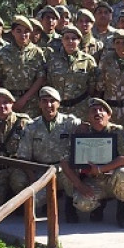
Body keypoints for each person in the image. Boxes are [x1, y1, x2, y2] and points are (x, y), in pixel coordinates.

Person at [62, 98, 124, 227]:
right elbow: (64, 161)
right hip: (92, 181)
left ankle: (122, 212)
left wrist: (101, 168)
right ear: (88, 117)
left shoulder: (117, 131)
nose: (98, 113)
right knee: (82, 203)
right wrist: (79, 185)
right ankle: (94, 206)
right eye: (93, 111)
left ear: (109, 116)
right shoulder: (82, 132)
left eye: (102, 110)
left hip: (112, 180)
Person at [11, 86, 80, 218]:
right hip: (40, 171)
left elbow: (89, 129)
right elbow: (24, 157)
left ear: (58, 103)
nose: (48, 105)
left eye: (52, 101)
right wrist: (33, 182)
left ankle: (70, 207)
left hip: (63, 170)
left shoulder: (70, 122)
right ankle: (42, 203)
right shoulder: (32, 126)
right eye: (44, 101)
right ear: (39, 104)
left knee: (70, 176)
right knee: (32, 202)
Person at [0, 16, 47, 116]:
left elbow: (41, 78)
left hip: (31, 102)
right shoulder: (2, 53)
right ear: (12, 32)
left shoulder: (37, 53)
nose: (23, 35)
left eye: (26, 31)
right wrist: (2, 99)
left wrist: (24, 99)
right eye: (19, 31)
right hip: (7, 103)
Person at [43, 26, 97, 118]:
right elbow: (47, 83)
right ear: (62, 40)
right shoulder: (52, 59)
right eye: (67, 38)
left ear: (79, 40)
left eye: (74, 38)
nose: (70, 41)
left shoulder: (88, 61)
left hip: (80, 109)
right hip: (58, 109)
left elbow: (92, 87)